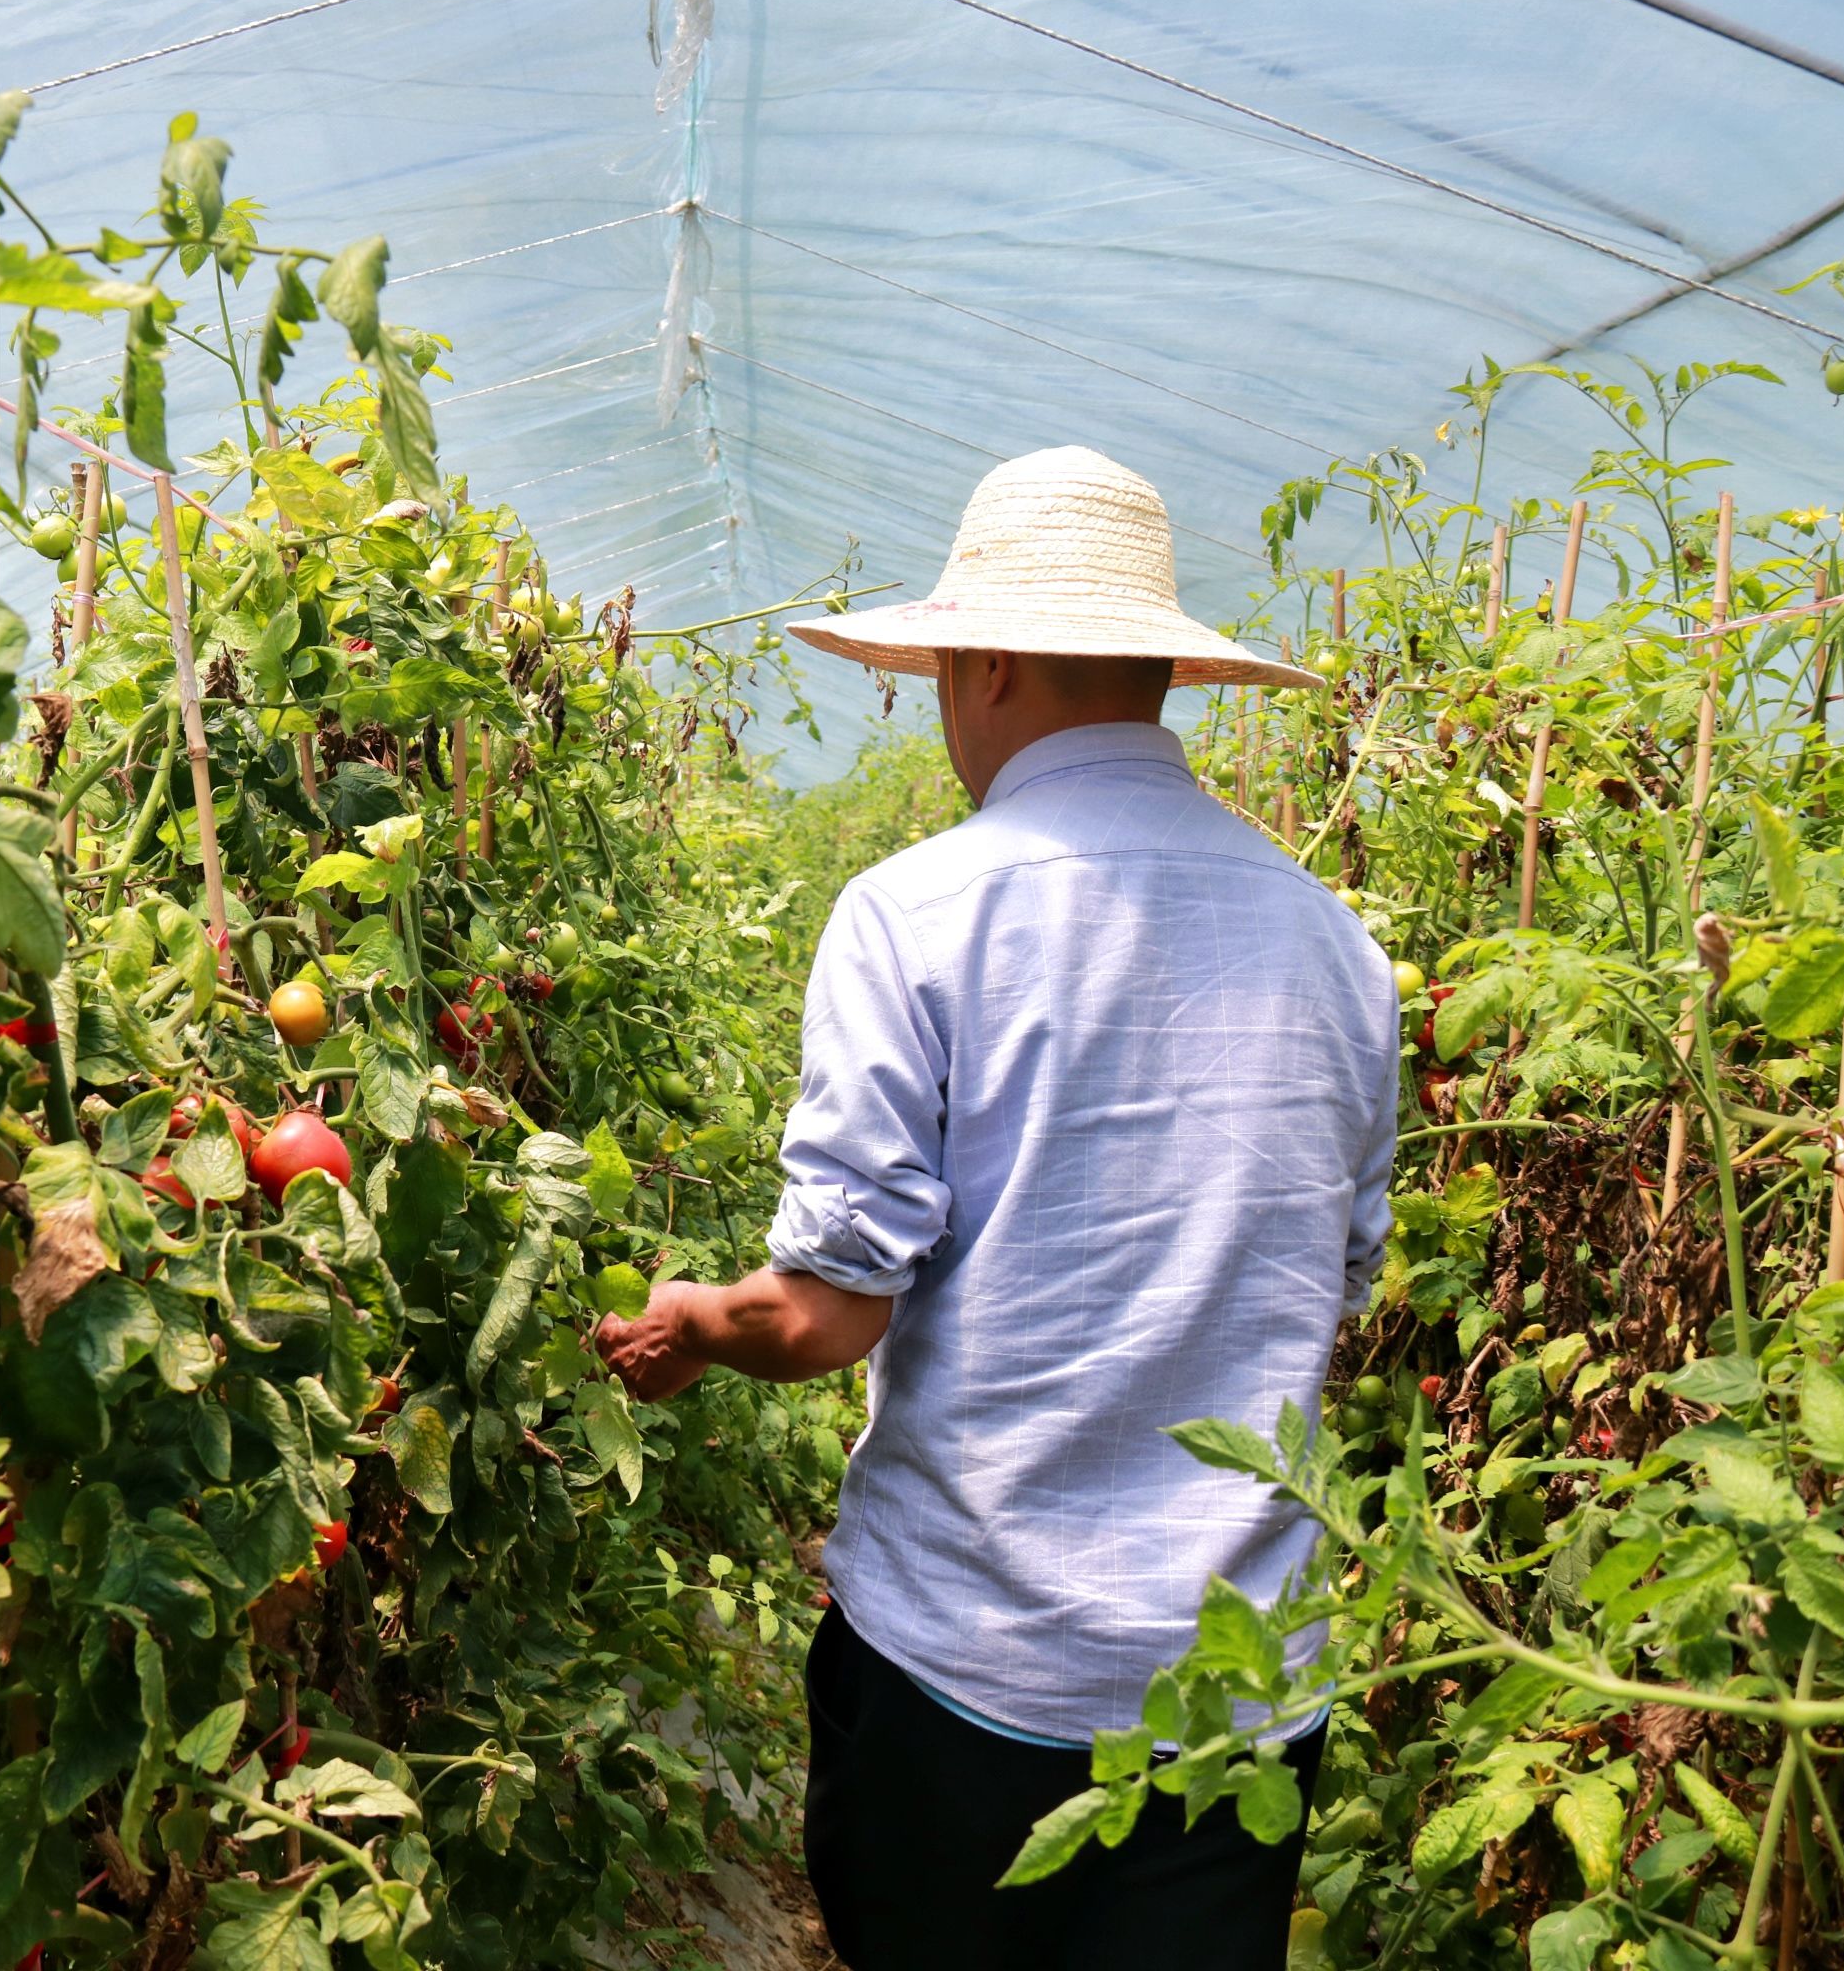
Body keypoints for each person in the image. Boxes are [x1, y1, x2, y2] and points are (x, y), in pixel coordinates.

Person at [591, 447, 1400, 1969]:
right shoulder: (1338, 949)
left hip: (972, 1680)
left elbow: (830, 1312)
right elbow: (1326, 1290)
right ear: (1164, 673)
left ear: (983, 660)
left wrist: (697, 1321)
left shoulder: (918, 916)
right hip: (1235, 1699)